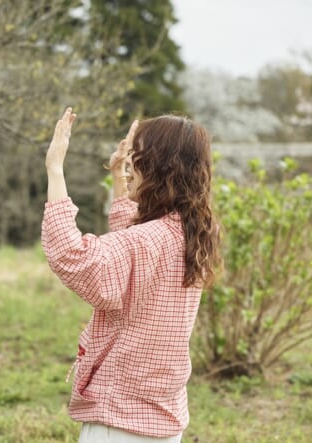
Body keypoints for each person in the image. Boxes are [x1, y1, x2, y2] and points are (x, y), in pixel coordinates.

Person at [41, 108, 220, 442]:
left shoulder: (146, 241)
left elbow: (72, 257)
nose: (131, 167)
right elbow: (133, 243)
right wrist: (117, 176)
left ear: (155, 167)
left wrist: (55, 170)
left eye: (136, 159)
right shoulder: (191, 232)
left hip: (118, 420)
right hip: (161, 418)